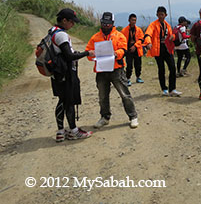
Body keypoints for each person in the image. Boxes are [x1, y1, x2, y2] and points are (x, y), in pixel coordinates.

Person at [86, 12, 139, 128]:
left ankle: (133, 116)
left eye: (108, 24)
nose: (105, 25)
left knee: (125, 94)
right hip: (101, 71)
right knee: (102, 96)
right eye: (104, 23)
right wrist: (92, 54)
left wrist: (116, 54)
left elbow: (124, 50)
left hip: (116, 70)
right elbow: (88, 53)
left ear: (112, 23)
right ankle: (105, 117)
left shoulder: (119, 36)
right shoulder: (95, 38)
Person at [51, 8, 94, 142]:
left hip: (56, 73)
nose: (73, 24)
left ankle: (60, 131)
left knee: (61, 100)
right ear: (64, 20)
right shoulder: (62, 35)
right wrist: (87, 53)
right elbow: (69, 56)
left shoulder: (52, 31)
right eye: (71, 22)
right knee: (68, 101)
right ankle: (73, 131)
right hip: (65, 73)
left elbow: (64, 52)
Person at [144, 6, 182, 97]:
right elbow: (148, 34)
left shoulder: (167, 25)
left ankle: (172, 88)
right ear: (157, 15)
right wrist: (148, 43)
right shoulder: (153, 25)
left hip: (167, 49)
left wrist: (172, 36)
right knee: (161, 69)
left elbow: (171, 34)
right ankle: (164, 88)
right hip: (158, 49)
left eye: (162, 14)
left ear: (166, 15)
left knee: (172, 67)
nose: (161, 16)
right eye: (159, 14)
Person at [121, 13, 145, 86]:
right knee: (129, 65)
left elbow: (141, 39)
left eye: (135, 20)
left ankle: (138, 77)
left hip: (137, 50)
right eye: (132, 20)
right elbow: (121, 40)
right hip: (128, 51)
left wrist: (135, 46)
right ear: (129, 20)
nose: (134, 22)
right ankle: (128, 79)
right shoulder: (124, 30)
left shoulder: (139, 30)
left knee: (138, 65)